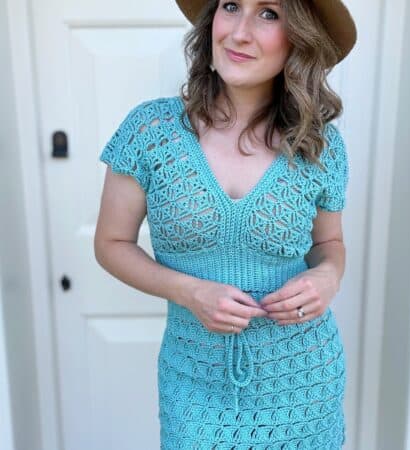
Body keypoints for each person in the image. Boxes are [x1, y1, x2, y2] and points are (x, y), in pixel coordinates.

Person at [94, 0, 357, 447]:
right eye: (231, 6)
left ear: (299, 37)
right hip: (194, 378)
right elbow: (111, 243)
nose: (239, 32)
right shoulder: (150, 130)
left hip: (302, 380)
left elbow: (329, 243)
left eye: (269, 13)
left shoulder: (319, 144)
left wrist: (328, 276)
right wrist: (189, 291)